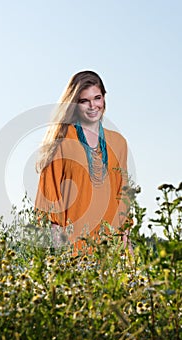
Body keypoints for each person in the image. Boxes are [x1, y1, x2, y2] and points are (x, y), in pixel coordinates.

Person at [35, 70, 129, 253]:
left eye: (97, 98)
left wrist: (125, 247)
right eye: (84, 101)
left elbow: (122, 196)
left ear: (104, 99)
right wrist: (61, 256)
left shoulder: (118, 143)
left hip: (111, 249)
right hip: (75, 248)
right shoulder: (62, 140)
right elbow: (52, 203)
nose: (92, 106)